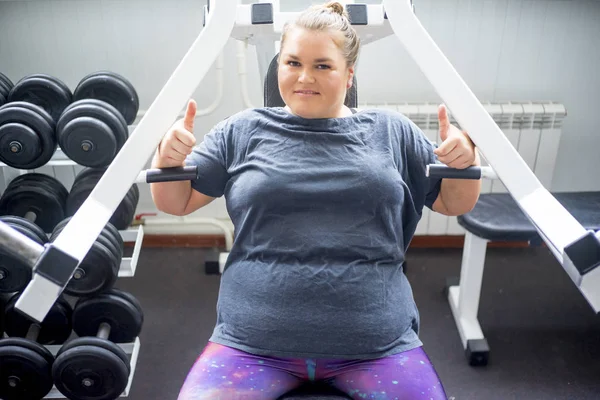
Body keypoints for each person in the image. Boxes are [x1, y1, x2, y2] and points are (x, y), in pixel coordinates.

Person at [150, 2, 481, 399]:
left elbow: (453, 203)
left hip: (375, 347)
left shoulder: (391, 131)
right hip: (251, 345)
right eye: (292, 62)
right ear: (279, 67)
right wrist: (167, 161)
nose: (304, 77)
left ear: (349, 74)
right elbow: (176, 202)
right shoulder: (242, 129)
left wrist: (466, 158)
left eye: (322, 65)